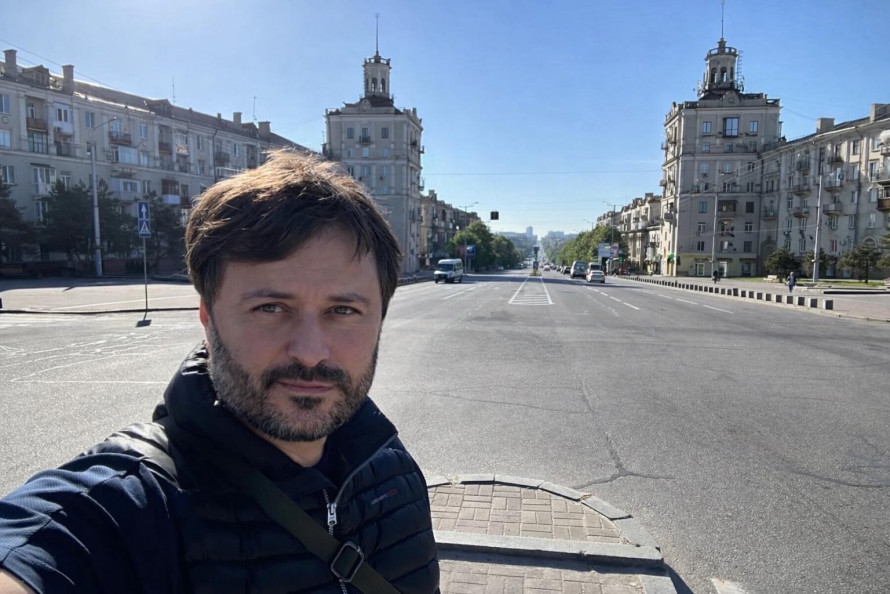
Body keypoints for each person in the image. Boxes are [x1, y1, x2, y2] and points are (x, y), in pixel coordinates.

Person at [0, 151, 440, 594]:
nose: (310, 353)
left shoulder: (393, 472)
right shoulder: (133, 507)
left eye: (343, 310)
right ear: (208, 319)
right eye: (270, 307)